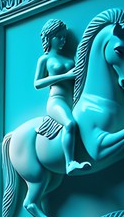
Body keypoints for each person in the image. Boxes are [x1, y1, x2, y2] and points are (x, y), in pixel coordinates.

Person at [34, 18, 89, 175]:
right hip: (56, 100)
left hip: (73, 100)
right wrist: (65, 76)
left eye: (65, 37)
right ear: (50, 38)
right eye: (60, 37)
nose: (63, 40)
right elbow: (37, 83)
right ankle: (70, 162)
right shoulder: (45, 59)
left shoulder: (70, 59)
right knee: (70, 124)